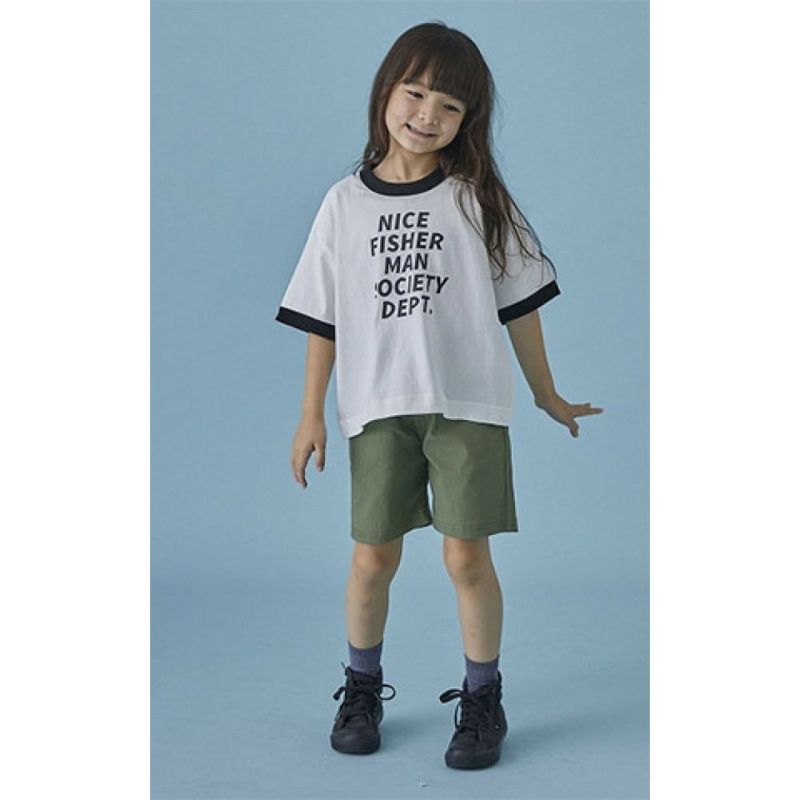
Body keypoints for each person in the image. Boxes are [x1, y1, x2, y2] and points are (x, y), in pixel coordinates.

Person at [275, 21, 603, 770]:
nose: (428, 115)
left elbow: (521, 305)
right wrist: (309, 414)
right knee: (371, 558)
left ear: (468, 120)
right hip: (376, 408)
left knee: (465, 558)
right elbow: (322, 318)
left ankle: (483, 699)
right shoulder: (343, 204)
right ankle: (362, 688)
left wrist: (547, 393)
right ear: (386, 92)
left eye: (450, 106)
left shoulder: (475, 198)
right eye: (416, 93)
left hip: (467, 407)